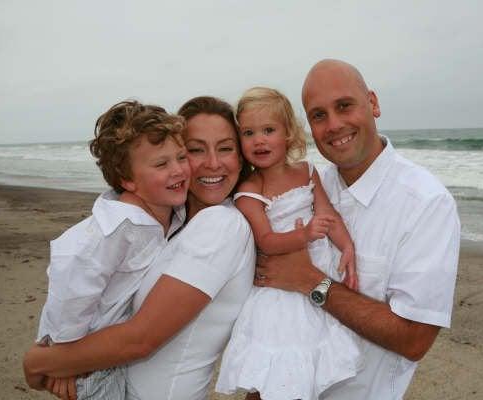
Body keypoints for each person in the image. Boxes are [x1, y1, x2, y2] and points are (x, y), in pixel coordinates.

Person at [23, 96, 256, 400]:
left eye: (226, 148)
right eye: (195, 150)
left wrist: (41, 361)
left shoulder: (221, 224)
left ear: (241, 157)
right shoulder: (169, 222)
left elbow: (141, 339)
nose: (212, 162)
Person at [254, 60, 460, 399]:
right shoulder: (306, 189)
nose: (334, 125)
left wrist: (310, 281)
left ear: (373, 104)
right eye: (318, 115)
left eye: (344, 106)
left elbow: (414, 339)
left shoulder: (425, 203)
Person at [34, 100, 190, 399]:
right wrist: (62, 356)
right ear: (127, 180)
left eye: (181, 157)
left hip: (117, 351)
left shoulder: (170, 211)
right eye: (161, 164)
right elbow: (70, 287)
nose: (179, 170)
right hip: (90, 359)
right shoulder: (115, 229)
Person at [215, 87, 361, 400]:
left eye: (269, 130)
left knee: (307, 368)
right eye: (249, 132)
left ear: (288, 134)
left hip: (314, 276)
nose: (259, 140)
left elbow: (328, 214)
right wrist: (304, 235)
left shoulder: (308, 172)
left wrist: (347, 246)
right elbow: (266, 241)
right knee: (272, 373)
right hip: (278, 294)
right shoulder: (251, 189)